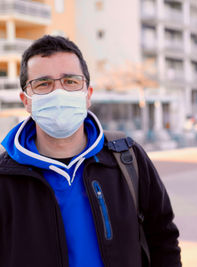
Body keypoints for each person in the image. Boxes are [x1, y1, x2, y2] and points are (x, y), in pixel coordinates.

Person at [0, 35, 181, 267]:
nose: (59, 92)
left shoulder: (127, 158)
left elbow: (163, 238)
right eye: (43, 83)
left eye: (71, 81)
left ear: (88, 94)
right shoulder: (5, 178)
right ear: (26, 100)